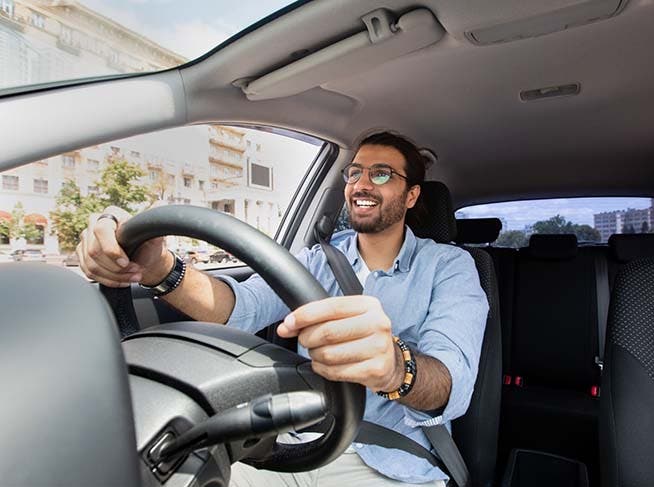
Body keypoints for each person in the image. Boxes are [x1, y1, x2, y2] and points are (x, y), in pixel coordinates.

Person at [77, 131, 488, 486]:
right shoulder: (317, 260)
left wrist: (395, 367)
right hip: (301, 446)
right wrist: (160, 269)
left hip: (394, 464)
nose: (363, 183)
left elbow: (452, 384)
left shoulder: (449, 267)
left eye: (381, 173)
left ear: (411, 194)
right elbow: (239, 308)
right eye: (355, 172)